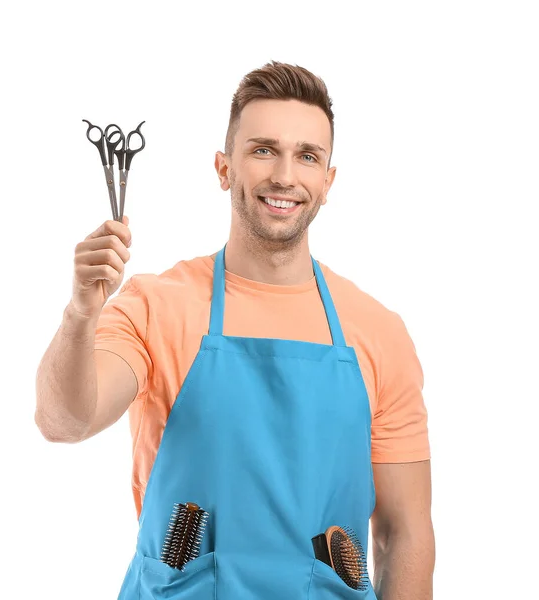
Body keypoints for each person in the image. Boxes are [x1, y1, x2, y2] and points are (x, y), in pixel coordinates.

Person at [35, 61, 435, 599]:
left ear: (327, 181)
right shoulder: (156, 306)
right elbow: (65, 420)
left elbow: (404, 533)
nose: (285, 176)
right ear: (224, 168)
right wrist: (81, 313)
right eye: (263, 149)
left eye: (308, 156)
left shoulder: (379, 332)